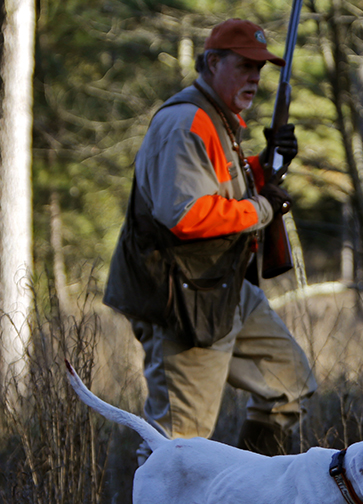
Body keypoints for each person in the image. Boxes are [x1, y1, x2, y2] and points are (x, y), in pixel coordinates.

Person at [104, 18, 317, 458]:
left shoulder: (219, 120)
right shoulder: (188, 123)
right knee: (179, 445)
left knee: (288, 384)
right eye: (244, 66)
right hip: (183, 301)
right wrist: (263, 209)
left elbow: (217, 188)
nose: (255, 78)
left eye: (260, 69)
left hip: (221, 288)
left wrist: (262, 166)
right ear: (213, 62)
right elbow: (186, 214)